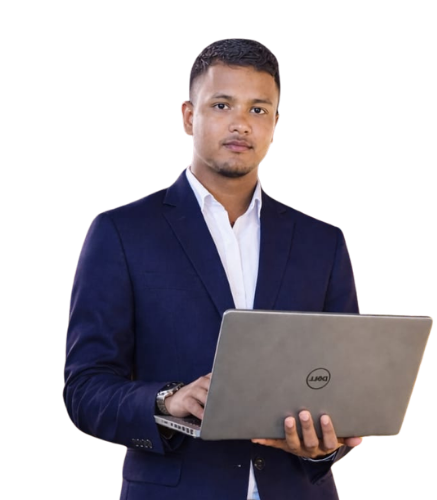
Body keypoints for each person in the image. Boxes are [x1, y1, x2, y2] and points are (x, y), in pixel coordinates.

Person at [64, 38, 363, 500]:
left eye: (258, 110)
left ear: (275, 125)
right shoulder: (121, 232)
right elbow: (85, 388)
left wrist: (326, 445)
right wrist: (168, 400)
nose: (241, 123)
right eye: (222, 105)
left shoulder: (322, 242)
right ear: (188, 117)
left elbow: (344, 385)